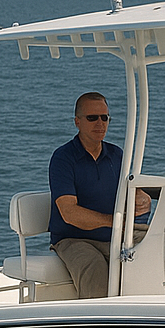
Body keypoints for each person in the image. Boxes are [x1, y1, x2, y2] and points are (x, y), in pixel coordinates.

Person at [49, 92, 150, 298]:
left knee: (163, 245)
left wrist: (142, 198)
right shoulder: (63, 158)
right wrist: (114, 221)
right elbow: (69, 213)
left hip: (115, 234)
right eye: (92, 118)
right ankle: (96, 325)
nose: (100, 123)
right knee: (94, 268)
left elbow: (131, 190)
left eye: (105, 117)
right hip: (75, 239)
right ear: (77, 122)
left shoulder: (117, 155)